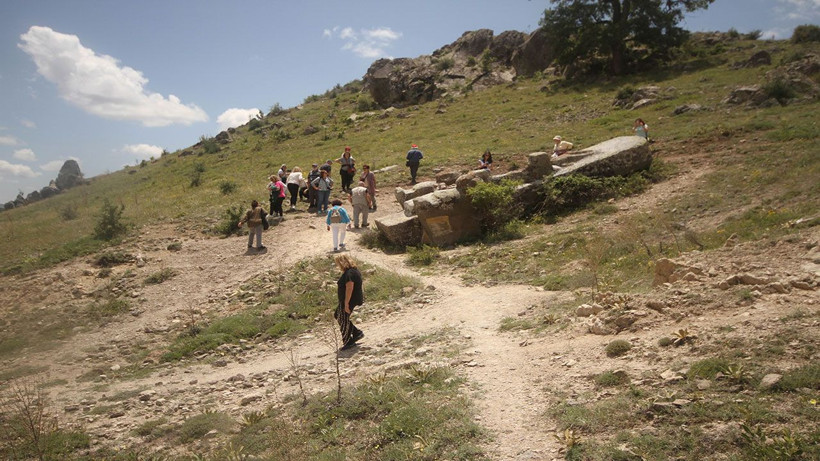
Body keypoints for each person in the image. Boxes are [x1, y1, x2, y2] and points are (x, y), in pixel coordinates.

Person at [333, 254, 365, 350]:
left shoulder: (349, 273)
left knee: (341, 317)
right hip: (352, 299)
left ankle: (348, 341)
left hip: (350, 299)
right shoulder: (354, 271)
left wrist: (346, 303)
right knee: (339, 315)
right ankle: (356, 333)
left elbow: (349, 287)